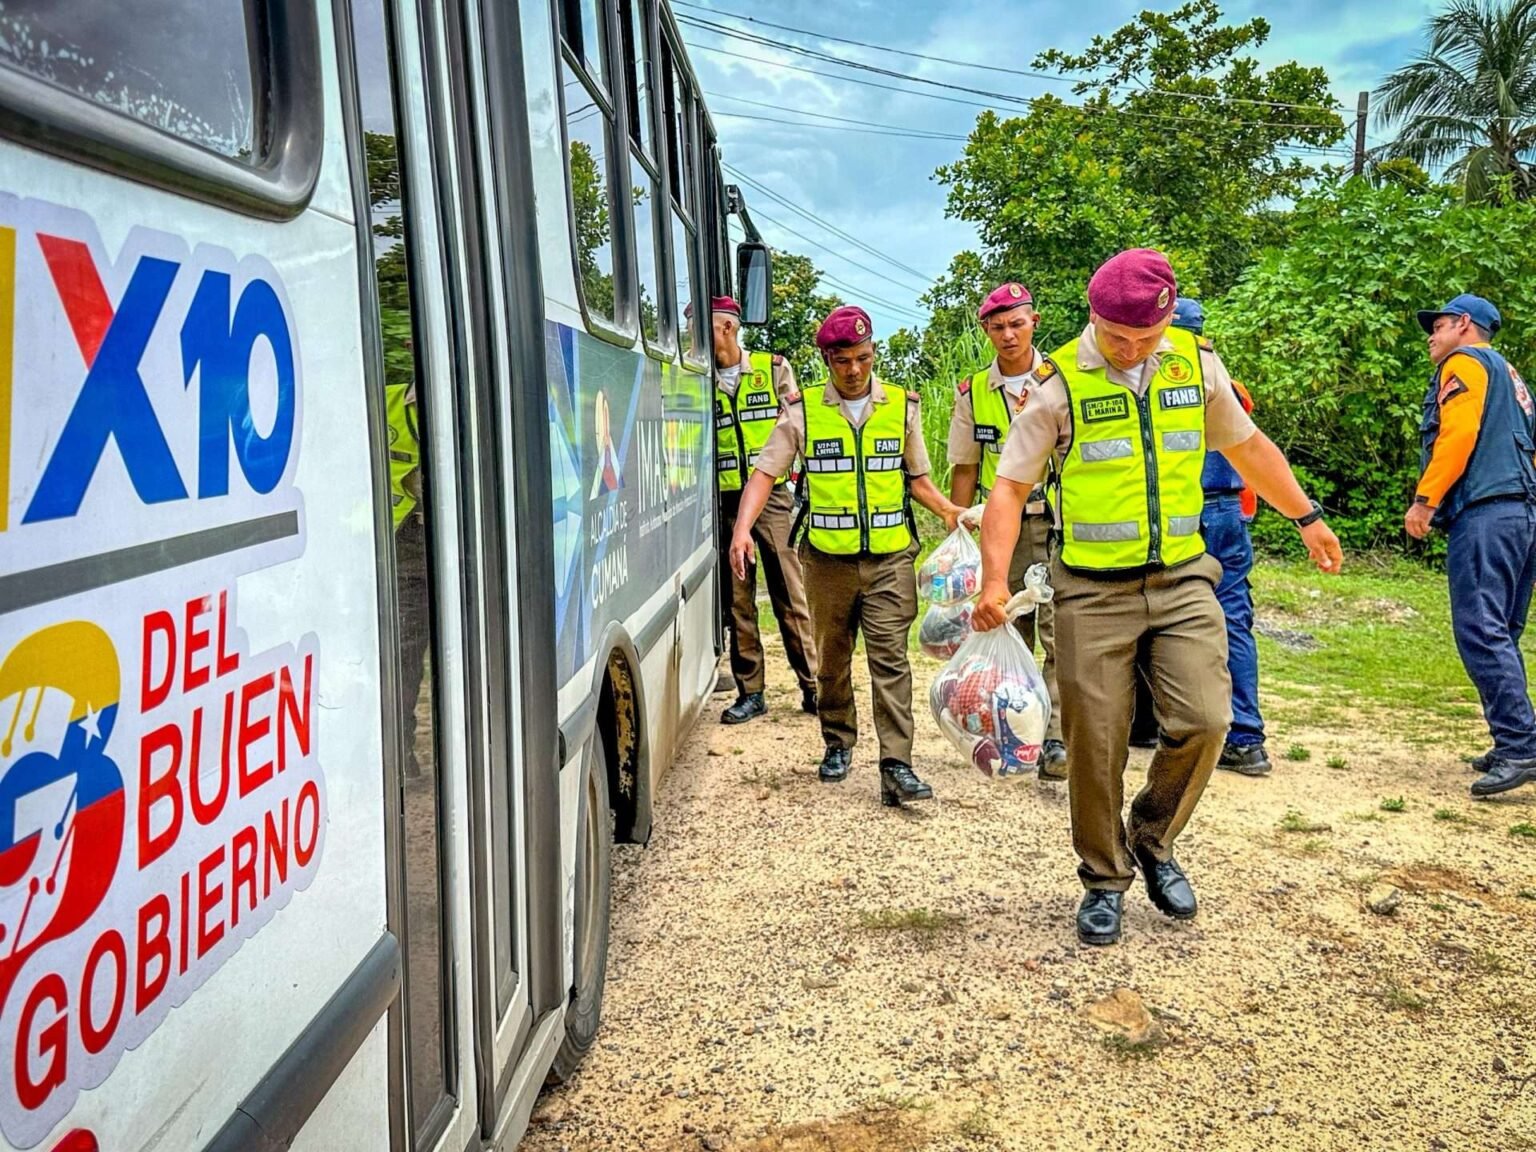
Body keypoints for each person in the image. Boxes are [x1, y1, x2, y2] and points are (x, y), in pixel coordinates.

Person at [972, 249, 1342, 946]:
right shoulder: (1057, 385)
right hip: (1090, 590)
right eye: (1117, 337)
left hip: (1182, 579)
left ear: (1168, 321)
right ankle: (1103, 877)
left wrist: (1307, 516)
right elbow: (1010, 489)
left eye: (1146, 337)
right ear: (1093, 317)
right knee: (1095, 744)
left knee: (1207, 718)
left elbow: (1249, 447)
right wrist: (995, 581)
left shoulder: (1194, 365)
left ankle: (1151, 835)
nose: (1131, 350)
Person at [729, 305, 966, 807]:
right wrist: (742, 529)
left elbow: (918, 479)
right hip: (826, 562)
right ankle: (838, 741)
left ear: (873, 352)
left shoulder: (901, 406)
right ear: (827, 361)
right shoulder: (802, 412)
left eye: (862, 357)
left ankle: (897, 764)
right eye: (842, 361)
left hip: (889, 559)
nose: (854, 369)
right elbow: (765, 473)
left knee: (890, 660)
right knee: (832, 659)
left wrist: (948, 510)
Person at [1407, 293, 1536, 798]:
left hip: (1487, 512)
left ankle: (1519, 747)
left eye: (1437, 325)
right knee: (1502, 630)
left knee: (1481, 629)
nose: (1431, 336)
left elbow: (1458, 434)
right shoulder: (1512, 376)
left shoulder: (1463, 362)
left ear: (1464, 324)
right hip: (1522, 513)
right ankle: (1516, 738)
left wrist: (1426, 500)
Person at [947, 282, 1067, 778]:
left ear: (1034, 322)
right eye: (998, 327)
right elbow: (965, 466)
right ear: (986, 330)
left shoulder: (1061, 379)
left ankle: (1055, 739)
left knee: (1059, 632)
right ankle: (1009, 732)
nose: (1009, 335)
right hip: (1002, 529)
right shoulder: (974, 392)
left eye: (1017, 324)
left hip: (1057, 523)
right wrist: (958, 529)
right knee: (1003, 624)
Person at [1169, 297, 1271, 777]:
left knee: (1157, 615)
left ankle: (1154, 726)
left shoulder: (1163, 381)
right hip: (1228, 510)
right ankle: (1246, 739)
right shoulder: (1227, 382)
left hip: (1184, 511)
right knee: (1232, 617)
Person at [711, 296, 819, 725]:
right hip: (724, 500)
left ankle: (814, 687)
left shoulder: (772, 369)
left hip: (772, 498)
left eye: (703, 326)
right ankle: (751, 692)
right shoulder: (698, 378)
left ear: (727, 328)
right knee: (738, 601)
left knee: (790, 595)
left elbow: (796, 427)